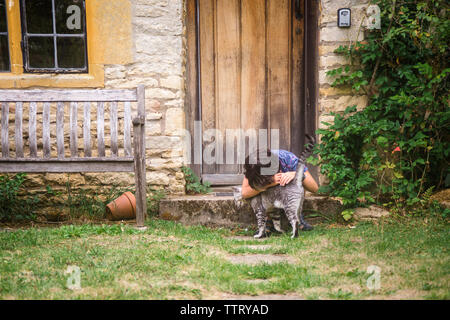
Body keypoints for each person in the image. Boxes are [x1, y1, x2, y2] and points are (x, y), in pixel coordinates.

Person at [241, 148, 319, 233]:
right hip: (267, 202)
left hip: (289, 198)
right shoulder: (253, 166)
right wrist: (270, 183)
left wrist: (295, 174)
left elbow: (314, 188)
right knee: (256, 189)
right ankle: (267, 221)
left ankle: (297, 217)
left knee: (297, 182)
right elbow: (245, 193)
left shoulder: (288, 159)